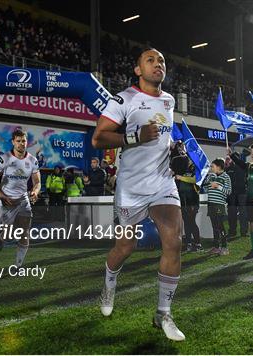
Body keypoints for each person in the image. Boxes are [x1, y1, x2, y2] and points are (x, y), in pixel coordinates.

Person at [92, 48, 185, 341]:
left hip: (162, 183)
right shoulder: (123, 99)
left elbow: (165, 139)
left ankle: (163, 314)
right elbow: (98, 138)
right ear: (137, 69)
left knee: (174, 241)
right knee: (125, 248)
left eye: (162, 61)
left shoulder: (169, 100)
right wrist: (134, 136)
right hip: (131, 188)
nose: (158, 64)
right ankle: (109, 283)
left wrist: (177, 150)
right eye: (151, 60)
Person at [0, 128, 41, 268]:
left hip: (23, 200)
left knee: (25, 232)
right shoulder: (4, 158)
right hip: (7, 201)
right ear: (13, 142)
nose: (21, 144)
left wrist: (35, 191)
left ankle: (18, 265)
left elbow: (37, 182)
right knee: (8, 234)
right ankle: (0, 238)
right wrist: (1, 196)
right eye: (18, 141)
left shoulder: (33, 160)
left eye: (24, 141)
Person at [171, 142, 202, 252]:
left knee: (192, 222)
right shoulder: (183, 168)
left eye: (187, 157)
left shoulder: (195, 168)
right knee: (186, 222)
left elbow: (195, 180)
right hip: (183, 199)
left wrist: (181, 178)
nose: (186, 158)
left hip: (193, 199)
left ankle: (197, 243)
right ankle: (188, 243)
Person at [202, 158, 232, 256]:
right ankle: (216, 247)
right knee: (214, 227)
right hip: (211, 204)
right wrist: (207, 183)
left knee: (220, 226)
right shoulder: (211, 176)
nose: (211, 168)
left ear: (219, 167)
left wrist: (218, 186)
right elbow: (205, 188)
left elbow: (228, 191)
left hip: (219, 204)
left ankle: (225, 247)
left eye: (212, 166)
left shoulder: (226, 177)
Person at [225, 151, 248, 239]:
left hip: (242, 193)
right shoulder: (228, 169)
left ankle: (244, 232)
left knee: (243, 213)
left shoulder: (243, 167)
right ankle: (232, 231)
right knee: (231, 214)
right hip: (231, 195)